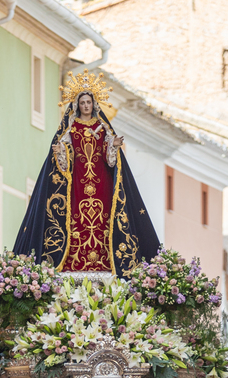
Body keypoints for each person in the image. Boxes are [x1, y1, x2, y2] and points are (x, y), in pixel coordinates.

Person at [14, 71, 159, 274]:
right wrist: (60, 152)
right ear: (77, 105)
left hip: (101, 182)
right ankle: (74, 261)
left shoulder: (103, 128)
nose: (85, 106)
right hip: (78, 182)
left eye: (88, 102)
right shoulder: (70, 128)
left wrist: (114, 146)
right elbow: (63, 158)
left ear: (94, 104)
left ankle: (104, 261)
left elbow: (110, 159)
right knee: (77, 218)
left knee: (103, 219)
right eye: (82, 102)